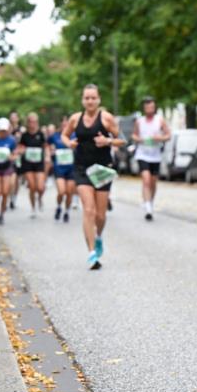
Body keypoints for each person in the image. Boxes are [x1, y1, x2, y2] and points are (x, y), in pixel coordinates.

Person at [62, 85, 125, 269]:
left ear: (99, 100)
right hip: (81, 169)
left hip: (102, 169)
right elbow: (64, 136)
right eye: (86, 98)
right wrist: (70, 143)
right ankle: (91, 253)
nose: (90, 101)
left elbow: (122, 139)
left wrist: (108, 141)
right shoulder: (75, 119)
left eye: (93, 98)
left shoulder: (106, 118)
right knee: (88, 210)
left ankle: (98, 237)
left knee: (100, 215)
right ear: (82, 100)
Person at [131, 96, 171, 221]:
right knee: (146, 180)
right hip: (142, 154)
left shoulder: (160, 120)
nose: (150, 109)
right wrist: (141, 140)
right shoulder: (139, 121)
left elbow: (168, 135)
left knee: (153, 182)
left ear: (154, 108)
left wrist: (159, 138)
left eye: (152, 107)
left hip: (155, 156)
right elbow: (134, 135)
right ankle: (148, 207)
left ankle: (150, 202)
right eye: (147, 107)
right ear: (144, 108)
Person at [17, 112, 49, 218]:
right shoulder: (24, 135)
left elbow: (46, 146)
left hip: (39, 163)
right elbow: (20, 147)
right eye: (31, 121)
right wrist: (21, 150)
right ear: (28, 122)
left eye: (35, 121)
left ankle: (39, 198)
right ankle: (33, 208)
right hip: (28, 163)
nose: (33, 124)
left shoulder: (41, 134)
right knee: (32, 186)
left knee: (40, 187)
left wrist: (47, 156)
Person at [49, 117, 76, 222]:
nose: (65, 126)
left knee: (69, 192)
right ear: (60, 125)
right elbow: (47, 144)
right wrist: (49, 152)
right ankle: (59, 206)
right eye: (63, 124)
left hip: (71, 167)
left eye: (67, 124)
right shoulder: (55, 136)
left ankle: (67, 211)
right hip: (59, 167)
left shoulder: (74, 135)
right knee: (61, 191)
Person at [8, 111, 24, 209]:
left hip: (19, 157)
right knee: (11, 180)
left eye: (15, 117)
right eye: (11, 117)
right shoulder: (7, 129)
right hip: (9, 156)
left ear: (18, 118)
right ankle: (10, 196)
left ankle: (14, 198)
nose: (13, 118)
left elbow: (24, 142)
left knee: (17, 180)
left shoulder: (22, 130)